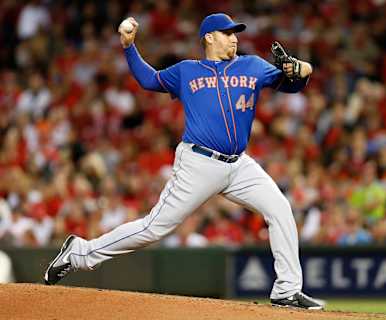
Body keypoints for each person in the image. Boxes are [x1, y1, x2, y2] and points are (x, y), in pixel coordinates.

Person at [44, 13, 324, 310]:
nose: (235, 38)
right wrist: (129, 47)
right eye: (227, 33)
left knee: (280, 209)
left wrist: (302, 69)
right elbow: (149, 79)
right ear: (209, 37)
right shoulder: (187, 71)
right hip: (199, 163)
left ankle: (287, 290)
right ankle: (79, 252)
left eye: (235, 33)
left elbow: (291, 84)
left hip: (239, 165)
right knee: (154, 227)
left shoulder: (252, 65)